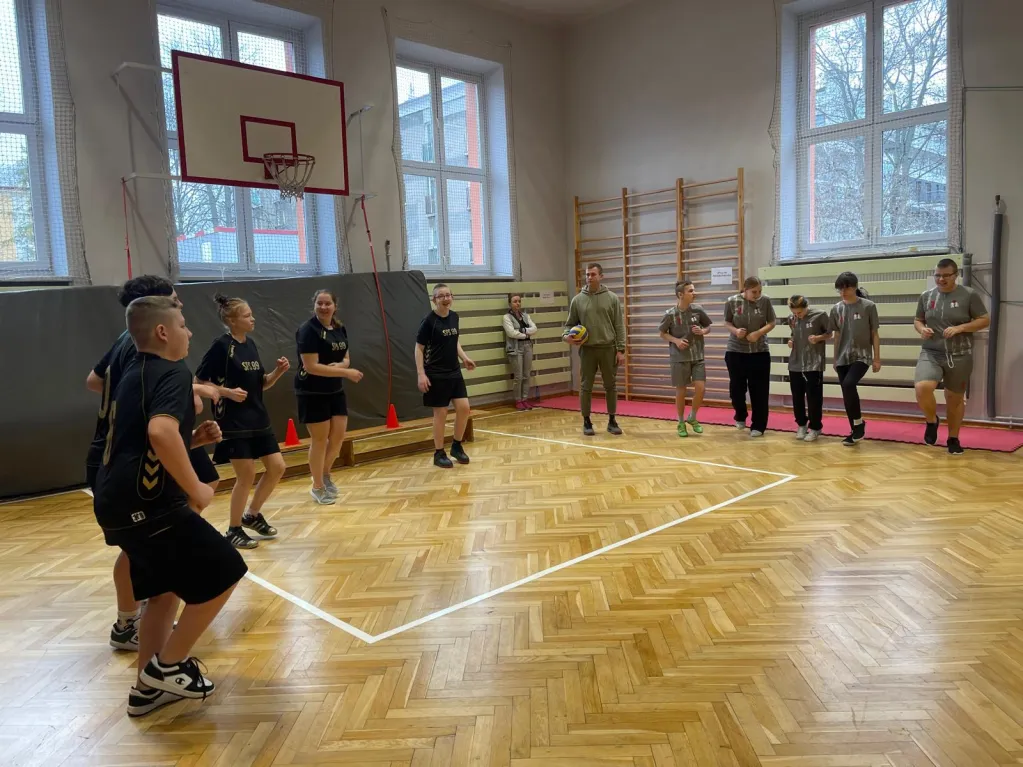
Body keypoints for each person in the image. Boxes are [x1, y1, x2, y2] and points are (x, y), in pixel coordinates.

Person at [93, 295, 246, 717]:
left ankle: (146, 689)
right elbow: (161, 432)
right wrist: (197, 487)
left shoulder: (132, 372)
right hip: (149, 505)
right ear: (162, 332)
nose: (189, 332)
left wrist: (192, 441)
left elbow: (138, 442)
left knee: (163, 594)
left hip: (116, 503)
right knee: (226, 571)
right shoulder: (173, 371)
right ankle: (169, 666)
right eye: (182, 324)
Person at [84, 275, 221, 654]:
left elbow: (94, 381)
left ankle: (144, 611)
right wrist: (192, 391)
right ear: (156, 316)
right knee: (143, 543)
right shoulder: (147, 355)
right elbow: (158, 414)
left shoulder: (125, 343)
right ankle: (131, 621)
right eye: (174, 301)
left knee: (154, 540)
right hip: (127, 456)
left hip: (131, 447)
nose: (181, 307)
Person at [196, 294, 290, 548]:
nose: (253, 319)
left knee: (277, 467)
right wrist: (227, 392)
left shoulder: (250, 344)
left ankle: (252, 515)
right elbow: (199, 381)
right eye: (247, 315)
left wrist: (277, 372)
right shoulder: (221, 346)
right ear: (232, 320)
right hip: (233, 421)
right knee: (246, 474)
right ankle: (233, 529)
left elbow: (262, 384)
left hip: (259, 418)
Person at [913, 258, 990, 455]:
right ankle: (932, 421)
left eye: (946, 275)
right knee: (922, 388)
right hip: (931, 351)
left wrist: (961, 328)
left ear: (956, 275)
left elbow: (984, 320)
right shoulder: (926, 296)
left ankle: (953, 438)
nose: (941, 279)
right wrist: (922, 329)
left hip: (960, 354)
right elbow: (918, 320)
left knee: (954, 399)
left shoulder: (969, 295)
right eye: (937, 275)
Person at [295, 289, 364, 505]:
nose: (324, 307)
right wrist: (346, 372)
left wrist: (342, 366)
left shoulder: (339, 328)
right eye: (320, 303)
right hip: (312, 391)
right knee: (320, 440)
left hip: (334, 390)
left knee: (338, 437)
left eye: (327, 303)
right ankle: (317, 487)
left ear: (335, 306)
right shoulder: (308, 330)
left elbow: (346, 357)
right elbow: (311, 366)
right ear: (314, 305)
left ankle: (324, 474)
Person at [416, 283, 476, 468]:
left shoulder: (454, 317)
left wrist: (464, 358)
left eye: (448, 295)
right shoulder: (429, 321)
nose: (445, 299)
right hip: (435, 373)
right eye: (441, 296)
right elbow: (419, 348)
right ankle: (439, 452)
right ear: (434, 300)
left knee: (464, 408)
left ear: (452, 297)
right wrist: (421, 374)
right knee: (440, 413)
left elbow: (455, 341)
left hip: (454, 371)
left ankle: (456, 446)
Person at [563, 263, 626, 436]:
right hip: (587, 350)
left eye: (593, 274)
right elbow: (569, 325)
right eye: (587, 274)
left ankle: (612, 420)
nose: (589, 277)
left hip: (608, 349)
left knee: (611, 386)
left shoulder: (612, 298)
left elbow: (619, 326)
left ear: (601, 276)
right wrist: (566, 336)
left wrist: (621, 350)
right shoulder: (577, 300)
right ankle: (586, 421)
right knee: (586, 386)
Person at [829, 272, 881, 446]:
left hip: (862, 355)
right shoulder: (836, 309)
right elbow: (836, 335)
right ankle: (855, 430)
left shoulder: (868, 306)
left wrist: (877, 358)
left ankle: (858, 424)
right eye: (840, 289)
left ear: (855, 287)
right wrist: (835, 358)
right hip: (843, 356)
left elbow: (874, 333)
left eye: (847, 288)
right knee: (846, 392)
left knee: (849, 384)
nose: (843, 292)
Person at [657, 280, 712, 437]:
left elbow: (708, 327)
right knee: (681, 391)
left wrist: (703, 331)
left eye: (694, 290)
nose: (694, 293)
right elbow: (662, 333)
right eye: (691, 291)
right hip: (679, 358)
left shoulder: (698, 310)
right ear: (681, 295)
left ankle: (692, 417)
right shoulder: (670, 314)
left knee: (701, 388)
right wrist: (676, 341)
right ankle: (681, 422)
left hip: (697, 356)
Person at [723, 276, 776, 437]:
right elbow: (727, 322)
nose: (757, 294)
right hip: (735, 351)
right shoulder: (732, 301)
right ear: (745, 290)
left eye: (759, 291)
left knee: (759, 390)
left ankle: (758, 425)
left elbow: (772, 322)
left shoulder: (765, 301)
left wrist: (758, 333)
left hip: (759, 352)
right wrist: (736, 331)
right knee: (736, 390)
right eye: (754, 292)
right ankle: (740, 414)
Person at [785, 295, 831, 442]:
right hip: (795, 363)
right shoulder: (792, 319)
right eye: (794, 313)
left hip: (814, 363)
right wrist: (791, 341)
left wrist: (818, 338)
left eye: (799, 312)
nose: (797, 315)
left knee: (814, 398)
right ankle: (801, 424)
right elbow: (794, 334)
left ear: (806, 307)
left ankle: (815, 427)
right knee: (797, 397)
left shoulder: (820, 315)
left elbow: (829, 333)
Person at [503, 293, 538, 410]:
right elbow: (511, 333)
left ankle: (525, 399)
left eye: (519, 301)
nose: (517, 303)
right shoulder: (507, 317)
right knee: (518, 376)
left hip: (528, 346)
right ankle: (518, 400)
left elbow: (534, 329)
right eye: (515, 301)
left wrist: (522, 330)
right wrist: (526, 334)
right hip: (515, 348)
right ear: (510, 303)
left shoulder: (526, 316)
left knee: (527, 375)